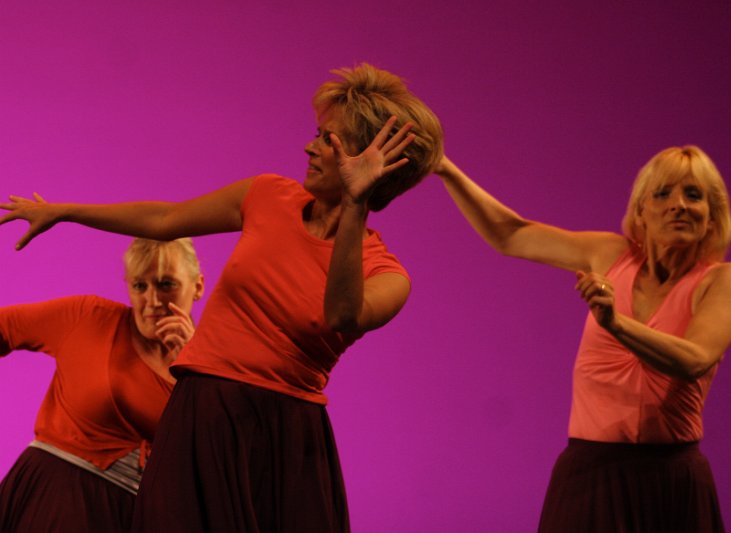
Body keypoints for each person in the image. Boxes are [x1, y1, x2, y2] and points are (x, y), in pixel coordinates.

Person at [0, 63, 443, 532]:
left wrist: (355, 205)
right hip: (205, 410)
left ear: (371, 163)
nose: (310, 147)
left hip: (284, 436)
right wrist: (66, 211)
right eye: (317, 134)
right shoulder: (268, 195)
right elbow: (166, 219)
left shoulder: (387, 275)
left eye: (329, 140)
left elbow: (341, 314)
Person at [434, 146, 731, 532]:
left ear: (712, 215)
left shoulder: (723, 279)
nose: (678, 205)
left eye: (694, 195)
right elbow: (511, 235)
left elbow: (694, 359)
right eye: (663, 193)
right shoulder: (609, 254)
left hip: (672, 482)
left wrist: (615, 323)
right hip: (591, 477)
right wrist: (445, 168)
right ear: (640, 211)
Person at [0, 237, 204, 532]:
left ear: (197, 286)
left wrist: (194, 369)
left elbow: (212, 464)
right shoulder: (90, 318)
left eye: (166, 284)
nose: (152, 301)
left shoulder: (209, 372)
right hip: (55, 497)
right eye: (140, 286)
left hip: (136, 517)